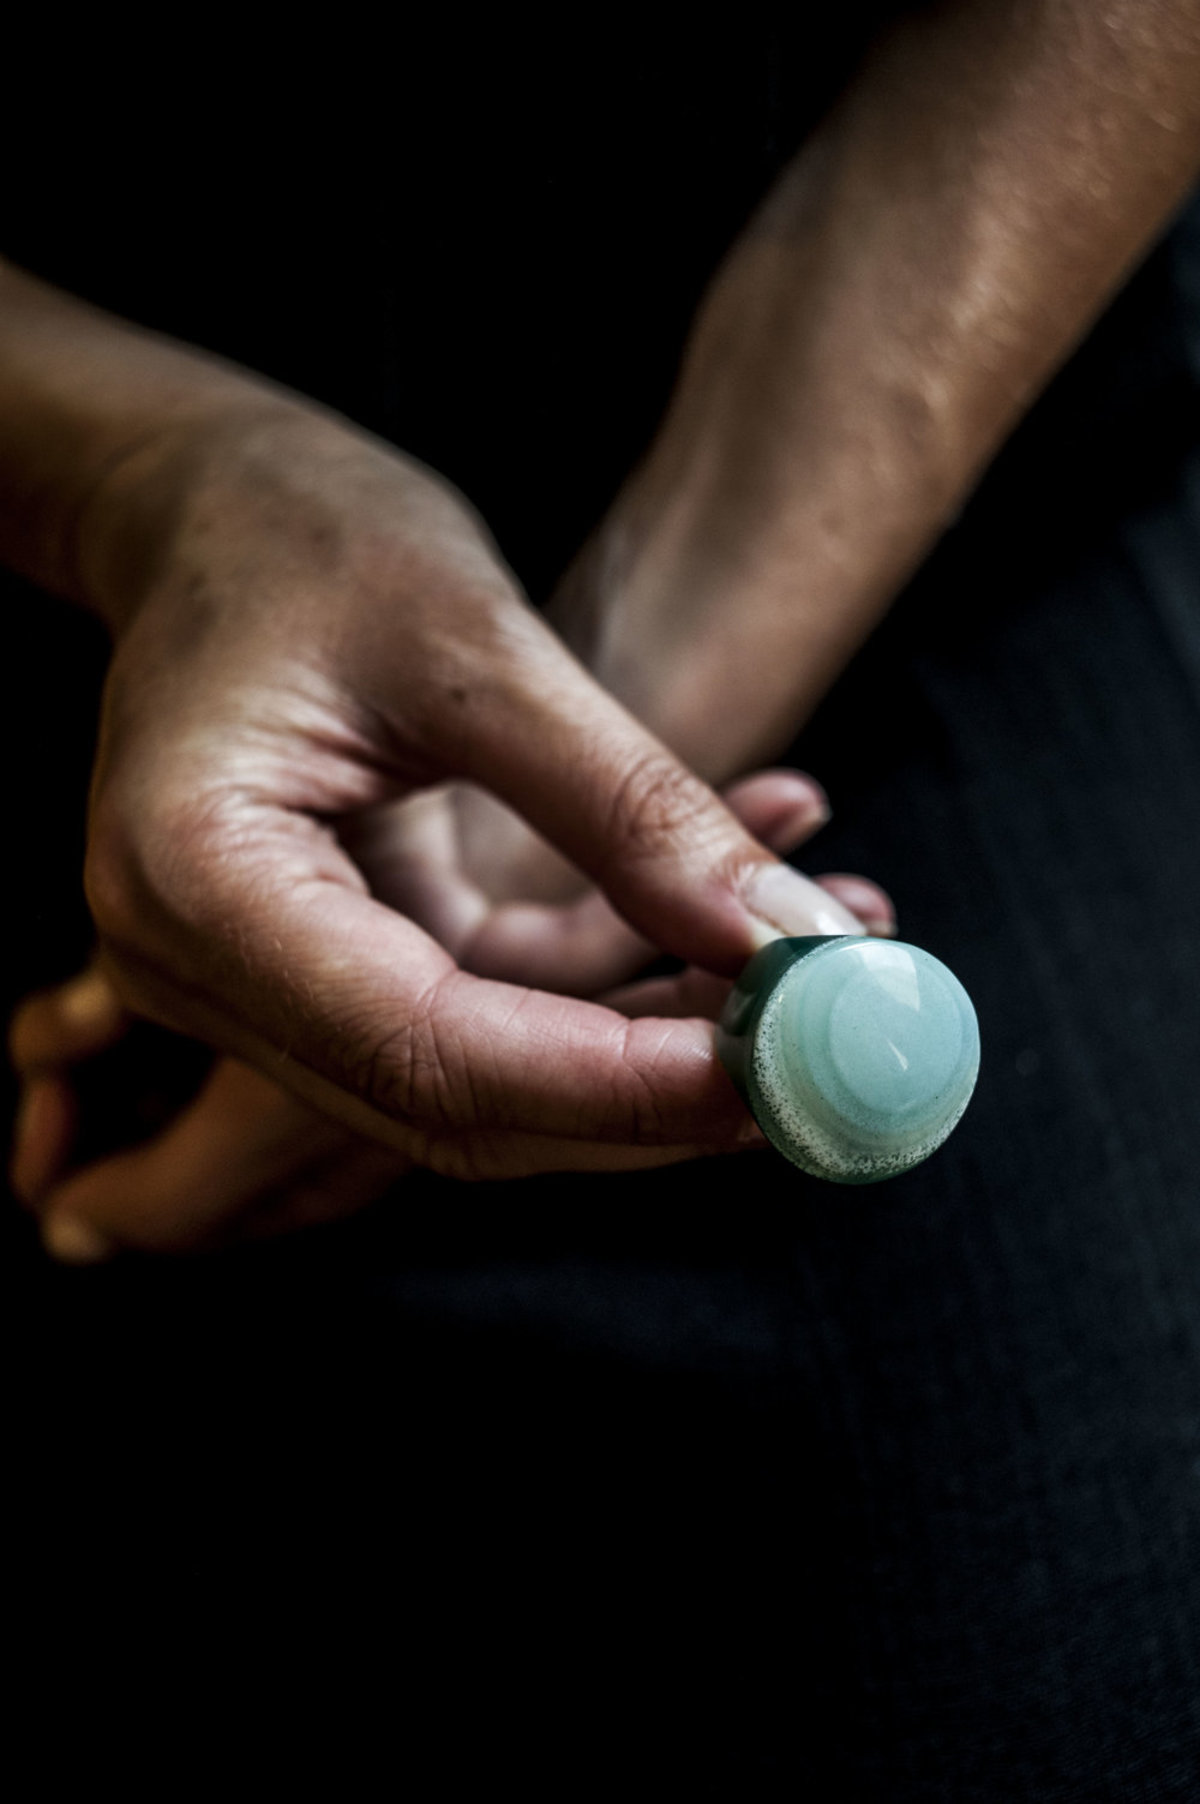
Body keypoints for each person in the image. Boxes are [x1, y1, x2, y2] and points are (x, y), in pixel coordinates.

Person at [6, 3, 1200, 1793]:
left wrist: (572, 778)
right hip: (69, 525)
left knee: (1050, 1656)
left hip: (937, 465)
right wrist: (142, 475)